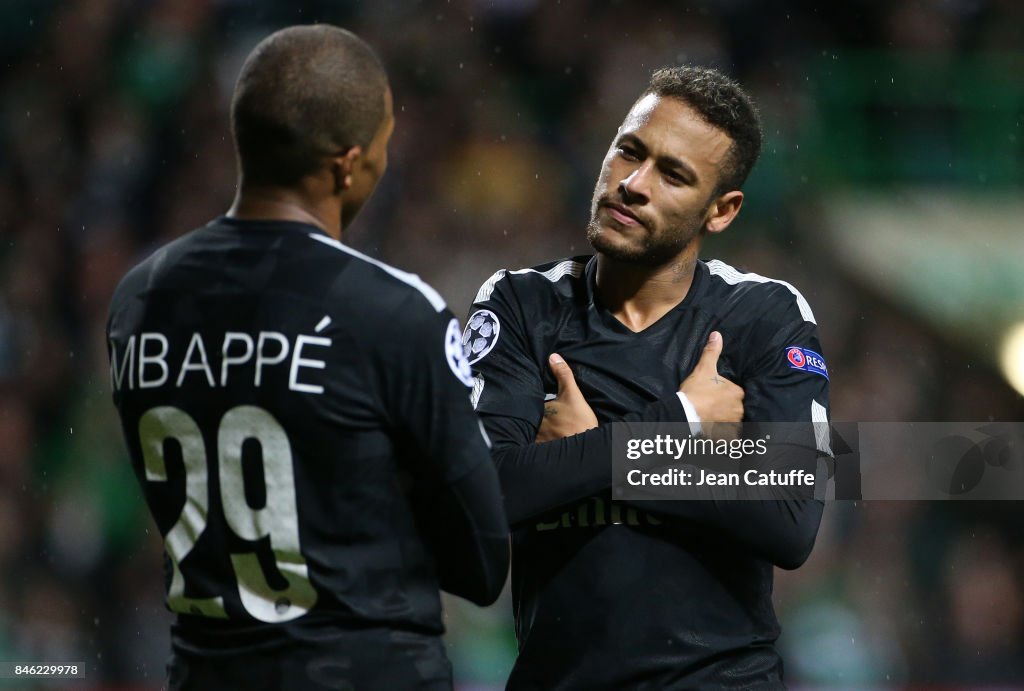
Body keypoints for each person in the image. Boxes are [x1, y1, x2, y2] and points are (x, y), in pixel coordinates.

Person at [106, 25, 509, 691]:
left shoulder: (140, 298)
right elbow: (480, 562)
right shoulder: (389, 311)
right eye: (383, 145)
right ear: (347, 162)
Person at [464, 65, 831, 689]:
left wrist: (582, 457)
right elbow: (483, 494)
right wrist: (682, 423)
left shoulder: (766, 315)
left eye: (674, 174)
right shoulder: (519, 304)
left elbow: (791, 520)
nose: (633, 184)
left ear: (722, 210)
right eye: (628, 151)